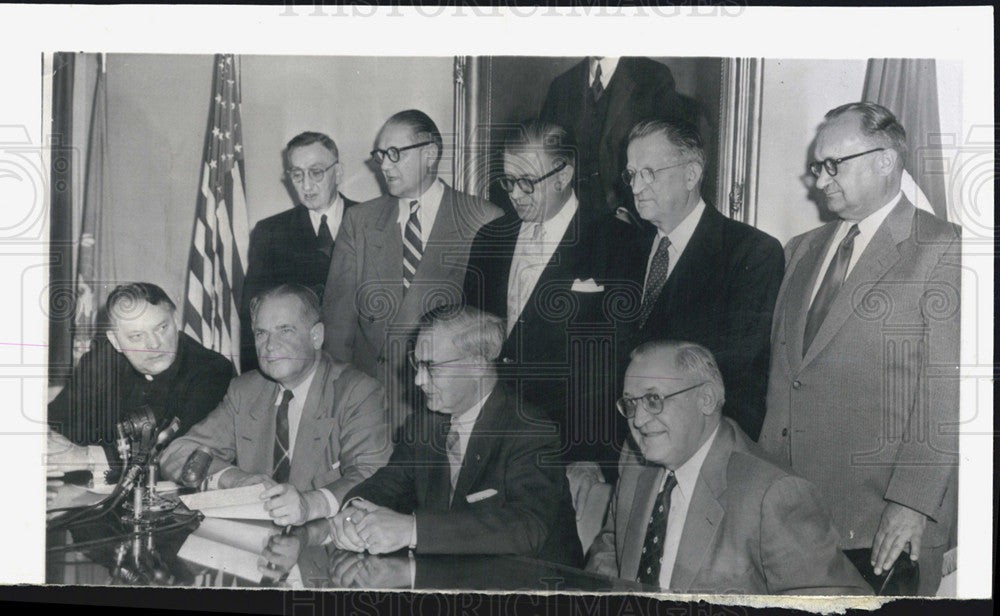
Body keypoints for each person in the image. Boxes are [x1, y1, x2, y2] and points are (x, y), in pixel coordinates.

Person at [758, 102, 961, 595]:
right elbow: (789, 378)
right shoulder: (800, 249)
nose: (821, 179)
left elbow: (948, 393)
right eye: (817, 166)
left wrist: (912, 504)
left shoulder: (943, 248)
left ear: (886, 160)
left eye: (834, 165)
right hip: (788, 518)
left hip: (879, 526)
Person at [587, 340, 870, 595]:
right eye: (631, 404)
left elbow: (839, 603)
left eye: (653, 400)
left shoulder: (770, 494)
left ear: (706, 399)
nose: (638, 420)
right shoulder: (636, 463)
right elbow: (611, 554)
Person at [328, 305, 583, 567]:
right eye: (417, 364)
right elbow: (388, 483)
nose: (418, 380)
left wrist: (413, 530)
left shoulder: (529, 430)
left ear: (477, 364)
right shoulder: (424, 425)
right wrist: (354, 511)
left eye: (431, 367)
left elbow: (527, 528)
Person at [463, 120, 629, 469]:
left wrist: (590, 458)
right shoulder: (489, 238)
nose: (515, 195)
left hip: (570, 444)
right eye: (508, 181)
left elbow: (614, 364)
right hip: (494, 436)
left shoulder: (615, 242)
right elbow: (471, 339)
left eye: (527, 183)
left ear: (564, 174)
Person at [322, 110, 501, 430]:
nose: (384, 165)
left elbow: (490, 338)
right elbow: (338, 329)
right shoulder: (359, 221)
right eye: (380, 155)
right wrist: (340, 406)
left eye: (394, 154)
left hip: (445, 411)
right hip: (369, 407)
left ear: (430, 153)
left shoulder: (482, 219)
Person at [161, 284, 391, 526]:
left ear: (316, 337)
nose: (270, 346)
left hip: (326, 547)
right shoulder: (245, 390)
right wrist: (234, 479)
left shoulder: (357, 392)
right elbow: (178, 453)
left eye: (285, 331)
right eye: (261, 333)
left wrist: (309, 504)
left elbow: (374, 476)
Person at [614, 118, 784, 441]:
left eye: (649, 173)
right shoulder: (624, 249)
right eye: (632, 174)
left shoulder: (750, 253)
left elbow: (735, 375)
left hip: (699, 450)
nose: (635, 187)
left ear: (691, 174)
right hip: (625, 449)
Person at [47, 282, 234, 476]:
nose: (154, 344)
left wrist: (87, 457)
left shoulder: (211, 370)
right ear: (115, 341)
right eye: (137, 336)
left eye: (162, 328)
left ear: (176, 322)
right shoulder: (100, 362)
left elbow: (169, 451)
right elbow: (56, 421)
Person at [240, 131, 358, 372]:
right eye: (297, 174)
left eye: (316, 172)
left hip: (359, 367)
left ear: (338, 172)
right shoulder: (270, 232)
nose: (306, 185)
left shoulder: (370, 221)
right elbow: (253, 316)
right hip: (299, 369)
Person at [540, 56, 696, 224]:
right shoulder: (561, 85)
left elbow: (673, 156)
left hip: (632, 220)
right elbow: (544, 159)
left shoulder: (653, 77)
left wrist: (633, 214)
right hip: (574, 222)